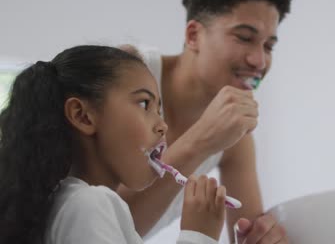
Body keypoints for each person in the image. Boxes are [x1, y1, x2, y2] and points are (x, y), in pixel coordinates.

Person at [118, 0, 292, 243]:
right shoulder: (127, 71)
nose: (259, 61)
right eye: (244, 38)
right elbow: (99, 222)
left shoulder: (237, 138)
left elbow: (246, 234)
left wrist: (263, 237)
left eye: (268, 46)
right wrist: (201, 139)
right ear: (193, 35)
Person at [0, 45, 229, 244]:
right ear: (83, 116)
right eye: (143, 104)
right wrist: (199, 235)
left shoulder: (64, 203)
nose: (162, 126)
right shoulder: (90, 204)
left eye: (159, 110)